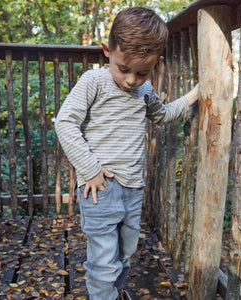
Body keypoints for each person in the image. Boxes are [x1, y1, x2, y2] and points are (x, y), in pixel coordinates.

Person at [55, 6, 199, 300]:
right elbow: (65, 122)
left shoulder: (145, 90)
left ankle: (115, 292)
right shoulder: (93, 81)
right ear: (108, 51)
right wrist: (90, 170)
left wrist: (194, 94)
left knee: (125, 252)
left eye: (142, 72)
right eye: (124, 69)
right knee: (104, 260)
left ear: (155, 64)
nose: (132, 80)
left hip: (133, 188)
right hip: (100, 186)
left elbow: (164, 115)